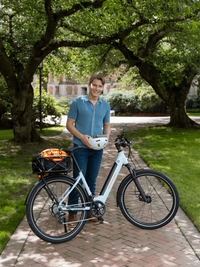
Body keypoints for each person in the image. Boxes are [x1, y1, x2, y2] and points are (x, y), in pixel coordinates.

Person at [66, 74, 111, 223]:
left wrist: (107, 138)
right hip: (80, 148)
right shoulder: (77, 103)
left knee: (91, 180)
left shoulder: (105, 105)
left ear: (102, 88)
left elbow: (107, 125)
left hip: (97, 149)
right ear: (89, 84)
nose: (97, 88)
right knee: (77, 180)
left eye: (100, 86)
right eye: (95, 85)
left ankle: (89, 210)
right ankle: (72, 211)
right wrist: (82, 137)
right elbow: (69, 125)